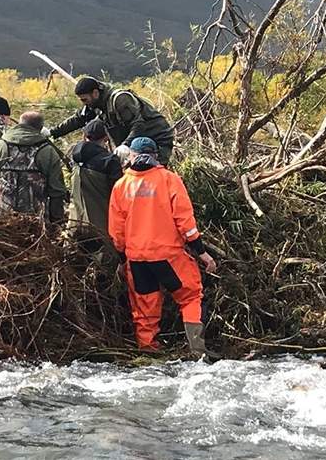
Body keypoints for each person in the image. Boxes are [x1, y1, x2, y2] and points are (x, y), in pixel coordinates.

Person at [108, 137, 217, 356]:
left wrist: (123, 260)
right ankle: (197, 349)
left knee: (144, 307)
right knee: (191, 296)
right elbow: (185, 222)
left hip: (136, 258)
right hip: (168, 255)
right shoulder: (169, 180)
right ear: (156, 156)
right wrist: (201, 252)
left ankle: (149, 353)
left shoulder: (121, 186)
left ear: (131, 156)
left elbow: (116, 232)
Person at [48, 77, 174, 165]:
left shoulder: (120, 99)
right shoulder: (96, 104)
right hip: (136, 143)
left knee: (154, 174)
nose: (84, 103)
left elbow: (138, 124)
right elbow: (79, 119)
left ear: (95, 93)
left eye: (84, 100)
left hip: (157, 138)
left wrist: (125, 144)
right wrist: (52, 132)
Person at [0, 111, 67, 222]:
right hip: (36, 227)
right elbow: (57, 192)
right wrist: (56, 222)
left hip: (0, 224)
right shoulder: (47, 152)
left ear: (19, 124)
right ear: (40, 129)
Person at [68, 117, 123, 251]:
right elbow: (118, 195)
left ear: (85, 136)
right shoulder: (109, 161)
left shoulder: (74, 157)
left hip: (75, 223)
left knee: (75, 263)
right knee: (105, 265)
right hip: (101, 226)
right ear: (106, 138)